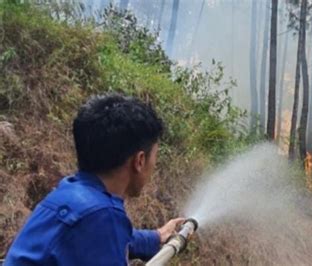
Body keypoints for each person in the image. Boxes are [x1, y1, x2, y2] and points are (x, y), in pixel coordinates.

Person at [5, 94, 184, 265]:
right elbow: (103, 231)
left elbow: (119, 238)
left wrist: (157, 236)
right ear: (139, 161)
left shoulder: (71, 193)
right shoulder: (101, 215)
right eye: (154, 157)